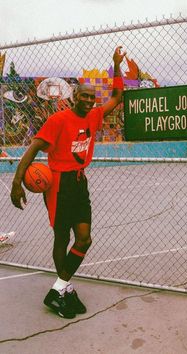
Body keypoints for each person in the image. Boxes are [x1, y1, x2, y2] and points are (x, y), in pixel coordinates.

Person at [10, 46, 126, 319]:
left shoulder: (95, 115)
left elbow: (118, 96)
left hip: (78, 182)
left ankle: (59, 288)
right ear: (75, 97)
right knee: (62, 237)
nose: (88, 101)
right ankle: (64, 289)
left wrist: (116, 65)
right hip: (58, 185)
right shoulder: (58, 120)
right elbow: (33, 148)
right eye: (84, 96)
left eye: (91, 97)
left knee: (84, 238)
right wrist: (17, 182)